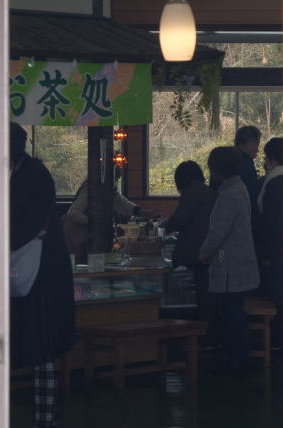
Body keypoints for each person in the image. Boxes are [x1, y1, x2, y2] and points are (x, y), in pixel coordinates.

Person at [9, 122, 75, 428]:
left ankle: (45, 418)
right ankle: (46, 416)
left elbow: (26, 222)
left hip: (40, 271)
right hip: (39, 267)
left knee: (41, 343)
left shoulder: (28, 176)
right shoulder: (28, 172)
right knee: (41, 345)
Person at [199, 146, 260, 372]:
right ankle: (238, 356)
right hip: (241, 260)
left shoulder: (229, 194)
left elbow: (218, 231)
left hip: (230, 263)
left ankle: (237, 358)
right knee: (235, 311)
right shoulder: (239, 188)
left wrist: (204, 253)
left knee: (231, 313)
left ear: (216, 170)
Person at [164, 161, 218, 344]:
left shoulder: (193, 192)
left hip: (197, 251)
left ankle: (200, 337)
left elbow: (179, 219)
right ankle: (206, 336)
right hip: (208, 251)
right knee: (206, 295)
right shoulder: (207, 191)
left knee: (202, 297)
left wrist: (166, 226)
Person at [62, 178, 154, 265]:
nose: (118, 174)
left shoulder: (108, 189)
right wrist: (95, 223)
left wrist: (142, 212)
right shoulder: (91, 189)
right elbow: (73, 213)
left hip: (87, 237)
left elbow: (122, 204)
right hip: (75, 237)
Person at [256, 137, 283, 350]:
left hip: (279, 253)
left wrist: (265, 253)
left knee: (279, 298)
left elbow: (270, 224)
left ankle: (278, 342)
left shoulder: (273, 183)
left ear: (271, 159)